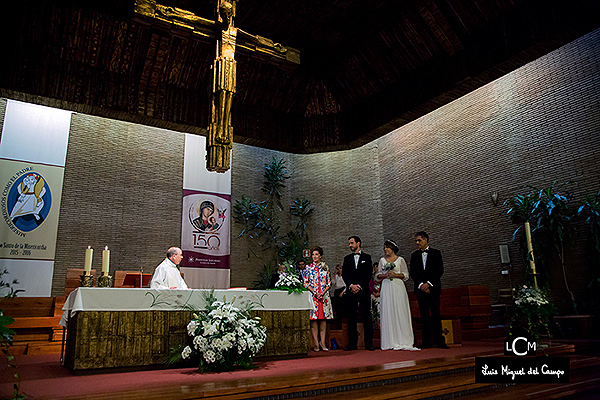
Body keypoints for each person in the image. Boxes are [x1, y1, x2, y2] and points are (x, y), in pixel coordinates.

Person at [409, 231, 449, 349]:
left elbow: (439, 270)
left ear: (426, 240)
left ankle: (440, 341)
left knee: (436, 314)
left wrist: (429, 284)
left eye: (419, 240)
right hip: (421, 289)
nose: (417, 243)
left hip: (433, 289)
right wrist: (421, 284)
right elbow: (413, 272)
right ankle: (426, 342)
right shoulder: (414, 255)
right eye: (416, 241)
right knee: (424, 316)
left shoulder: (436, 253)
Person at [376, 239, 419, 350]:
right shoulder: (382, 260)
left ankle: (403, 339)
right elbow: (377, 276)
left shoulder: (400, 260)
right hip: (386, 287)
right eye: (384, 248)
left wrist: (395, 274)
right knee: (388, 311)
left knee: (400, 311)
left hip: (398, 286)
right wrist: (384, 275)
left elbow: (406, 275)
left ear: (393, 249)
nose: (385, 250)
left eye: (387, 247)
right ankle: (390, 341)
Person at [342, 236, 374, 351]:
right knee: (351, 317)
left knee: (367, 316)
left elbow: (368, 274)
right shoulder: (347, 259)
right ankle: (352, 344)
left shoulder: (367, 257)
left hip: (363, 290)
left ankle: (369, 343)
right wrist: (351, 285)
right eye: (349, 243)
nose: (350, 245)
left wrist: (359, 286)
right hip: (351, 291)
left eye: (352, 243)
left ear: (358, 243)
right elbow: (344, 274)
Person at [303, 246, 333, 351]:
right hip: (313, 296)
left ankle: (323, 343)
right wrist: (315, 293)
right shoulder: (308, 267)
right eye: (313, 254)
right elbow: (305, 283)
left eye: (316, 254)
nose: (315, 256)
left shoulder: (325, 266)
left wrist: (322, 293)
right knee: (314, 320)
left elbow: (329, 282)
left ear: (320, 255)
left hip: (323, 297)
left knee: (323, 320)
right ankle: (315, 343)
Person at [330, 264, 346, 330]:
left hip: (343, 291)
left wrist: (343, 292)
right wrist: (334, 274)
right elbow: (333, 283)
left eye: (340, 268)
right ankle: (338, 324)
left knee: (343, 308)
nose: (339, 270)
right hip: (337, 291)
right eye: (337, 269)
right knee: (337, 309)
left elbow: (347, 285)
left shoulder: (345, 276)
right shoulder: (336, 276)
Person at [369, 262, 381, 330]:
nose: (376, 268)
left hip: (380, 293)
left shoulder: (381, 275)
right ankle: (374, 324)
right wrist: (373, 292)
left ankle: (380, 324)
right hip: (373, 293)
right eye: (375, 266)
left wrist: (379, 292)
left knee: (380, 309)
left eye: (377, 266)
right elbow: (369, 283)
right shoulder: (372, 276)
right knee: (373, 308)